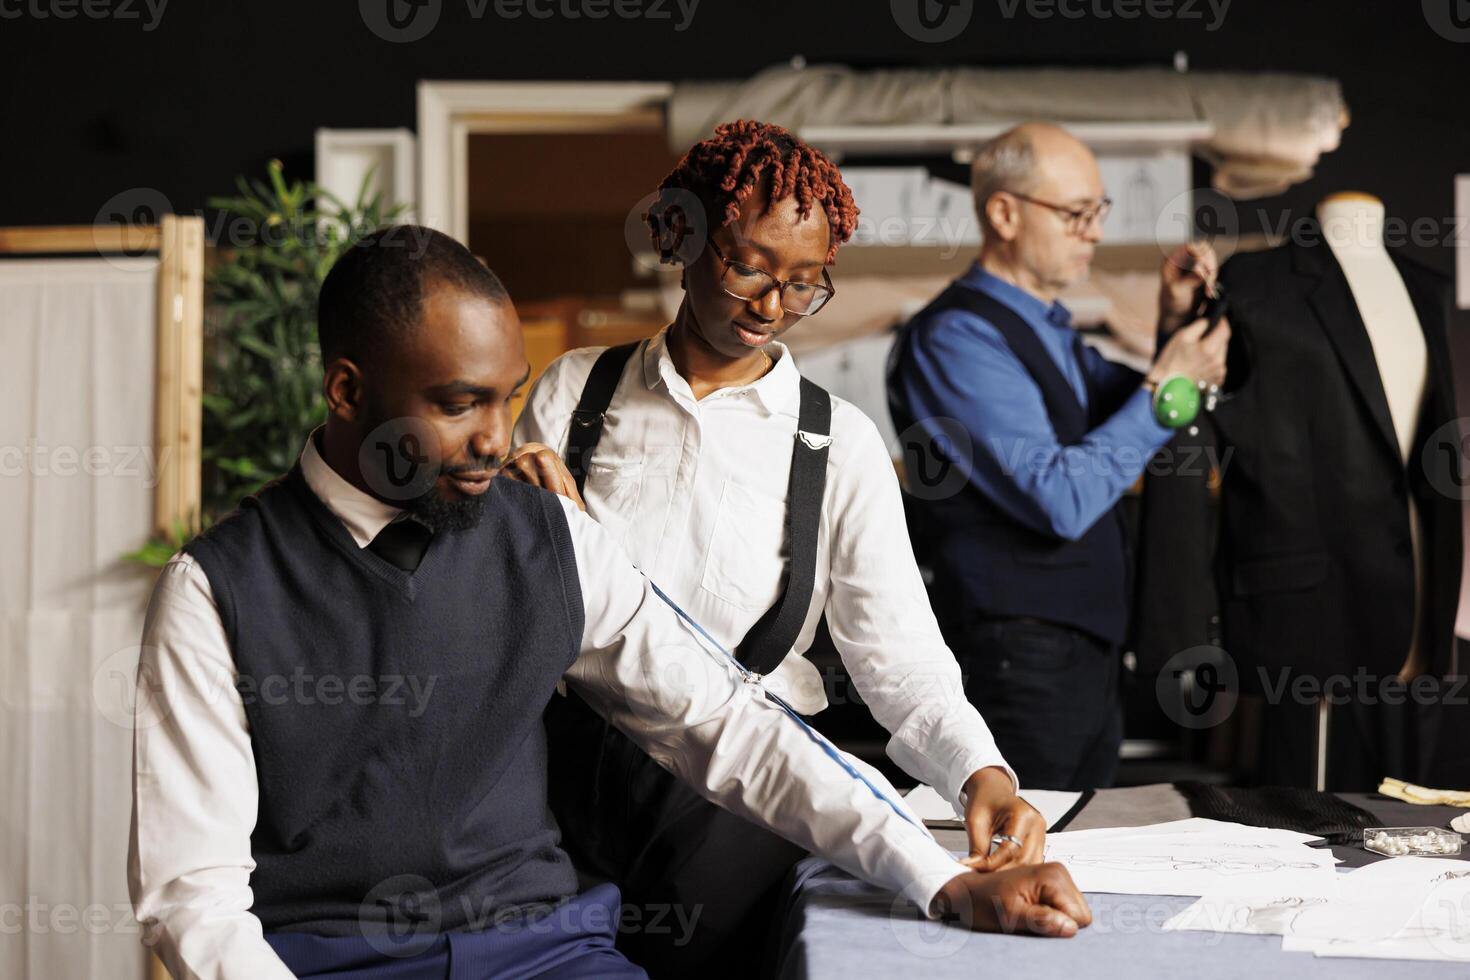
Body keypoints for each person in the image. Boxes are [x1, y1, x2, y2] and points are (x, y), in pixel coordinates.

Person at [127, 225, 1091, 980]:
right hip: (332, 964)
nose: (498, 441)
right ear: (346, 390)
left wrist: (946, 878)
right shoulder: (214, 593)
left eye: (509, 399)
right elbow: (195, 900)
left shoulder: (550, 538)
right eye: (460, 404)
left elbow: (729, 722)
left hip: (545, 954)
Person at [506, 120, 1040, 978]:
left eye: (804, 285)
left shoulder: (840, 443)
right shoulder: (573, 391)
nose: (771, 307)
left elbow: (898, 655)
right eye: (749, 266)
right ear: (681, 236)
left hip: (737, 810)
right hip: (556, 786)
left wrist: (979, 772)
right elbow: (507, 604)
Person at [887, 122, 1230, 792]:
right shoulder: (957, 338)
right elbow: (1062, 499)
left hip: (1083, 653)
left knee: (1078, 854)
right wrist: (1171, 381)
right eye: (1076, 213)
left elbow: (1160, 406)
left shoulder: (1050, 332)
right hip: (1019, 658)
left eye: (1097, 213)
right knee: (1017, 863)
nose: (1094, 232)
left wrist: (1173, 326)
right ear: (1004, 213)